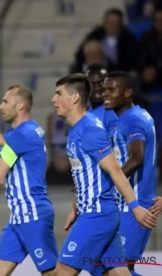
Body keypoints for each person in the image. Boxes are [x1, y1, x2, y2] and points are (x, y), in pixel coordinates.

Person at [51, 73, 156, 276]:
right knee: (117, 274)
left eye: (59, 94)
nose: (53, 99)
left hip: (96, 215)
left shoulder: (90, 130)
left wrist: (134, 206)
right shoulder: (76, 129)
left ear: (74, 98)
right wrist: (76, 207)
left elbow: (115, 169)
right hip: (100, 213)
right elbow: (93, 176)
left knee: (61, 272)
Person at [0, 85, 58, 276]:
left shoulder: (20, 136)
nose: (0, 106)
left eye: (6, 101)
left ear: (21, 106)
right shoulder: (25, 133)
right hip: (17, 218)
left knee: (51, 273)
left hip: (33, 214)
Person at [103, 71, 157, 276]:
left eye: (111, 89)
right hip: (126, 204)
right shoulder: (133, 116)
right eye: (105, 89)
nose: (105, 94)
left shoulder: (132, 120)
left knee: (119, 270)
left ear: (127, 93)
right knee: (111, 270)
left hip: (136, 206)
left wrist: (109, 180)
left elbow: (137, 158)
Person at [86, 64, 118, 141]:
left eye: (101, 82)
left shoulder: (111, 111)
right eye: (92, 83)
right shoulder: (88, 113)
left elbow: (117, 148)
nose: (97, 88)